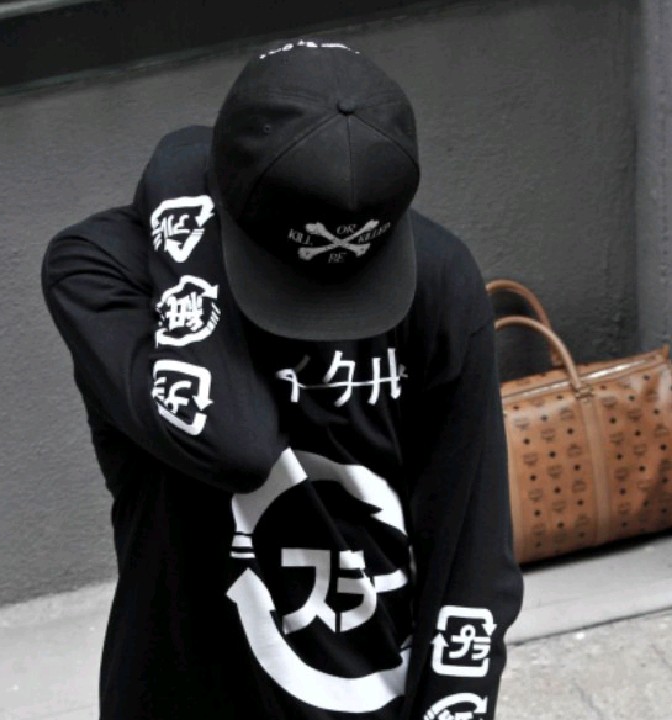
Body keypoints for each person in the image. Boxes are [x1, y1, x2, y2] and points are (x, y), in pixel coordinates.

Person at [41, 38, 523, 720]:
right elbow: (231, 441)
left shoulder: (437, 280)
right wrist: (187, 211)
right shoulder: (105, 268)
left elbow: (472, 555)